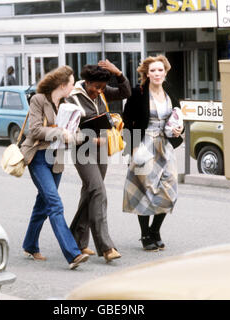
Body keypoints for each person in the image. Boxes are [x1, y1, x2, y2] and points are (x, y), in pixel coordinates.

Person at [20, 65, 89, 270]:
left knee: (43, 205)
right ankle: (73, 254)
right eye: (72, 83)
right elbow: (34, 130)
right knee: (55, 204)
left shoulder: (67, 104)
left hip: (56, 159)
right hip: (38, 157)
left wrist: (79, 137)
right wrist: (60, 132)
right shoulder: (38, 100)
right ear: (62, 85)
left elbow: (74, 134)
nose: (73, 86)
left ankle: (30, 245)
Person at [66, 60, 131, 263]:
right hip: (82, 150)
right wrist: (88, 136)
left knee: (90, 193)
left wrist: (118, 73)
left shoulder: (102, 91)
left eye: (102, 87)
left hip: (101, 148)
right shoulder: (71, 97)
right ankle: (106, 247)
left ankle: (75, 240)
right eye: (95, 86)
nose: (98, 91)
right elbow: (68, 129)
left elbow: (125, 92)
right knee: (99, 192)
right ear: (86, 82)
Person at [122, 55, 183, 251]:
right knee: (145, 190)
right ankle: (145, 235)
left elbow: (177, 117)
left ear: (165, 72)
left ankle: (155, 229)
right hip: (144, 144)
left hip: (165, 146)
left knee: (169, 188)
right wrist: (132, 149)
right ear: (147, 74)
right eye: (153, 70)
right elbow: (126, 120)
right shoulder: (137, 93)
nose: (157, 73)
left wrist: (178, 131)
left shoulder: (171, 93)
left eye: (160, 70)